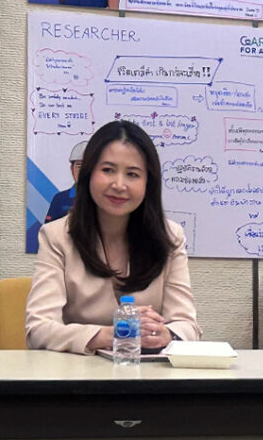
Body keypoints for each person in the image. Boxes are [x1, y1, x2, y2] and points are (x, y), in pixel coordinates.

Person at [26, 120, 200, 354]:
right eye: (108, 170)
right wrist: (115, 333)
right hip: (78, 371)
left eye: (132, 174)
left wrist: (164, 334)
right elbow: (38, 329)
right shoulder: (56, 236)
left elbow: (187, 325)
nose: (119, 185)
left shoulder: (170, 237)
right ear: (88, 175)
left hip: (148, 372)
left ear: (148, 183)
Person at [44, 140, 87, 223]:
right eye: (79, 166)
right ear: (72, 169)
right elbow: (48, 228)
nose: (83, 170)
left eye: (88, 165)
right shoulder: (60, 199)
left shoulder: (102, 198)